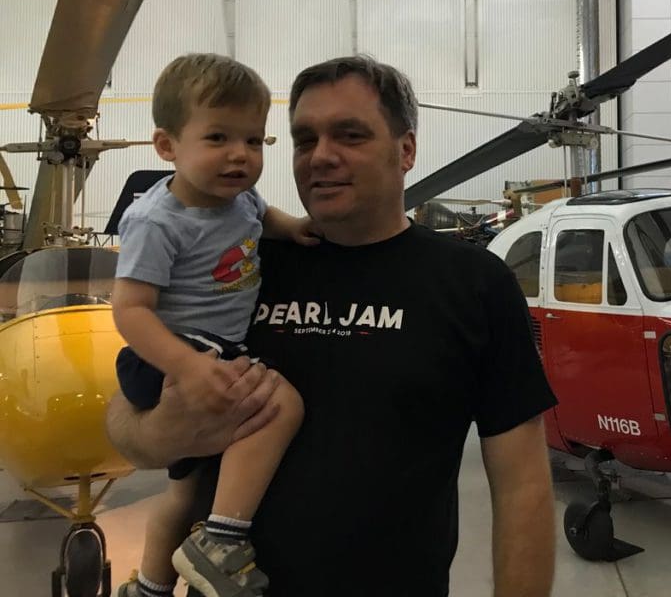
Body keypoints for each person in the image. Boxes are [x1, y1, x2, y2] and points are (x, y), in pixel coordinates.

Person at [106, 55, 558, 596]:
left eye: (350, 135)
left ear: (405, 150)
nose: (321, 156)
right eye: (303, 140)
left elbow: (523, 486)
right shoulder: (238, 265)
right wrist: (162, 434)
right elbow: (123, 419)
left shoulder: (473, 283)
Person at [112, 54, 312, 597]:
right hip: (175, 350)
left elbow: (262, 214)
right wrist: (186, 365)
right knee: (280, 405)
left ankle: (150, 587)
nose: (239, 155)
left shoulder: (239, 198)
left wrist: (292, 227)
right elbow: (129, 309)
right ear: (167, 147)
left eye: (254, 140)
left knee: (186, 492)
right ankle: (222, 540)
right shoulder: (159, 221)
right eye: (218, 137)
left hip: (209, 347)